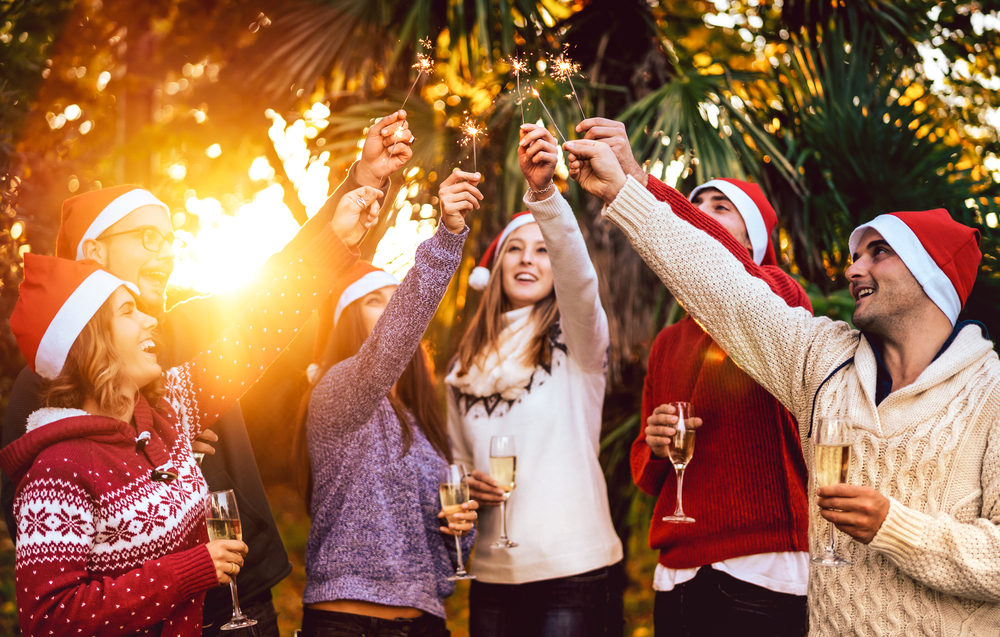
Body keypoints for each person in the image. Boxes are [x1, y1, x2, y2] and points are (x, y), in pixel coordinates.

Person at [564, 137, 1000, 635]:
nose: (854, 268)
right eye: (855, 255)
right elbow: (721, 286)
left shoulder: (990, 396)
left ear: (932, 274)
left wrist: (898, 530)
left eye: (879, 253)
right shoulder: (822, 363)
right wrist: (628, 189)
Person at [1, 110, 414, 635]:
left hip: (243, 596)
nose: (167, 252)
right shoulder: (46, 414)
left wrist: (355, 193)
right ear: (94, 252)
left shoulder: (177, 384)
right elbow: (47, 570)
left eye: (170, 238)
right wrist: (140, 465)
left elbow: (277, 298)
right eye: (148, 238)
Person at [576, 118, 812, 636]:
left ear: (757, 239)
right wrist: (655, 446)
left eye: (720, 209)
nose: (700, 215)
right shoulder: (667, 342)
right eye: (695, 205)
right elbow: (644, 470)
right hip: (677, 574)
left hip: (762, 567)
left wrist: (638, 181)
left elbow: (715, 264)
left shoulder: (782, 296)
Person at [445, 124, 623, 637]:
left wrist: (544, 195)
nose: (528, 258)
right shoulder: (461, 367)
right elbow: (456, 466)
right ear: (495, 267)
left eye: (542, 249)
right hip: (491, 578)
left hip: (576, 571)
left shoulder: (578, 345)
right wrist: (468, 491)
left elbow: (579, 279)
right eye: (516, 250)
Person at [294, 170, 476, 637]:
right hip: (348, 623)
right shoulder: (336, 393)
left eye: (397, 300)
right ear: (346, 320)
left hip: (425, 621)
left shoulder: (422, 418)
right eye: (376, 302)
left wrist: (461, 525)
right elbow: (392, 341)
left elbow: (440, 541)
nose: (393, 312)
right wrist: (448, 237)